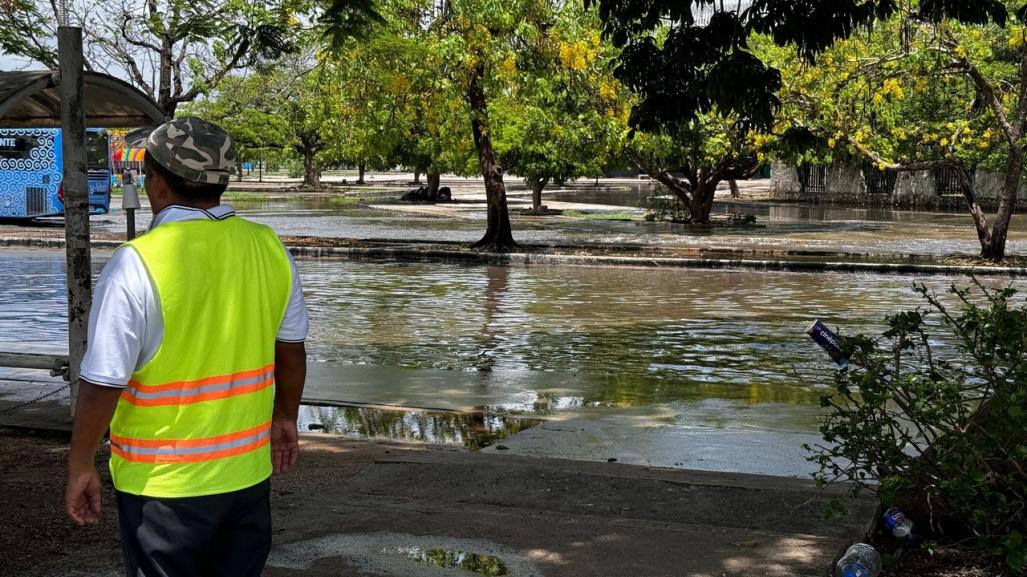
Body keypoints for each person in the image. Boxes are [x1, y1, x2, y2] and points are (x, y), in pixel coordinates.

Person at [65, 117, 309, 577]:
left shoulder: (137, 262)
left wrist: (80, 463)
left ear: (155, 179)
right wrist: (285, 417)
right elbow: (291, 349)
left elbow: (103, 381)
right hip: (246, 477)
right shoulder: (269, 246)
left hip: (163, 486)